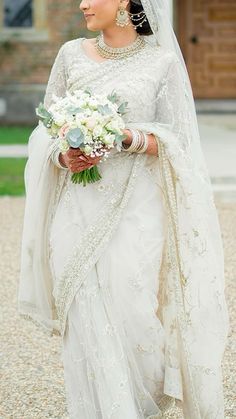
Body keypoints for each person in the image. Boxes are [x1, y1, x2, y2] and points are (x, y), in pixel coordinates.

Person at [18, 0, 229, 418]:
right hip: (77, 206)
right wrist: (64, 157)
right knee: (83, 307)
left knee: (134, 315)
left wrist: (124, 137)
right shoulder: (69, 55)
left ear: (126, 3)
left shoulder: (162, 61)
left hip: (138, 209)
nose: (82, 4)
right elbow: (45, 133)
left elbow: (180, 141)